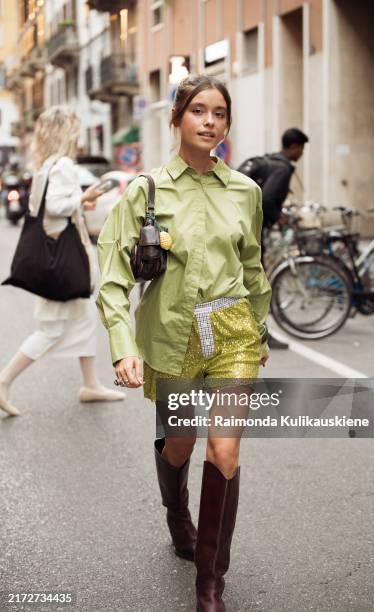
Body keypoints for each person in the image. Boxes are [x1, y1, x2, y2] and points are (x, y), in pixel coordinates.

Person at [96, 74, 271, 612]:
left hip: (233, 331)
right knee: (182, 443)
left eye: (219, 112)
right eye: (198, 110)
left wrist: (259, 329)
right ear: (176, 118)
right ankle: (178, 516)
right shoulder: (145, 191)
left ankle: (209, 583)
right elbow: (113, 277)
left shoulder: (246, 191)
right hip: (170, 334)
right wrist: (123, 345)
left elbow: (253, 267)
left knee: (224, 449)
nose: (209, 121)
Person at [0, 106, 125, 417]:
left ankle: (90, 384)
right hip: (62, 260)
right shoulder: (64, 165)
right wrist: (81, 199)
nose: (78, 134)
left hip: (55, 255)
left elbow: (49, 210)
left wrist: (80, 204)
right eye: (74, 128)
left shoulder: (46, 166)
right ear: (65, 132)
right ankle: (2, 382)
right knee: (52, 329)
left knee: (83, 319)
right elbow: (56, 207)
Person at [238, 127, 309, 349]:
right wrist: (278, 217)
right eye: (302, 148)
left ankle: (248, 330)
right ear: (294, 146)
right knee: (257, 282)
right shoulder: (282, 168)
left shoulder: (269, 161)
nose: (302, 153)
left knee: (246, 279)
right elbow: (267, 199)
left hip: (240, 225)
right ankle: (259, 333)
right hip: (253, 229)